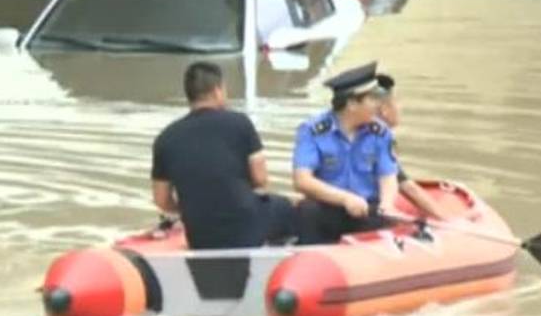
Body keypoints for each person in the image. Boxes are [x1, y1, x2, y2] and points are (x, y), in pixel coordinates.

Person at [151, 62, 296, 249]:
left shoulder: (165, 138)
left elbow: (161, 200)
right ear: (218, 90)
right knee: (286, 207)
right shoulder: (240, 123)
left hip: (200, 235)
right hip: (246, 228)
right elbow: (261, 180)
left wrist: (189, 210)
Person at [292, 62, 399, 245]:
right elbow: (302, 180)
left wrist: (387, 204)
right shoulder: (312, 131)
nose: (378, 105)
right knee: (307, 210)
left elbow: (387, 176)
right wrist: (345, 199)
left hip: (366, 209)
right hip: (328, 207)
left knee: (385, 221)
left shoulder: (380, 133)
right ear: (351, 104)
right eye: (372, 99)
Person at [375, 73, 453, 221]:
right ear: (385, 109)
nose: (400, 107)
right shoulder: (376, 139)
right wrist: (447, 220)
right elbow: (408, 188)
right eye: (396, 102)